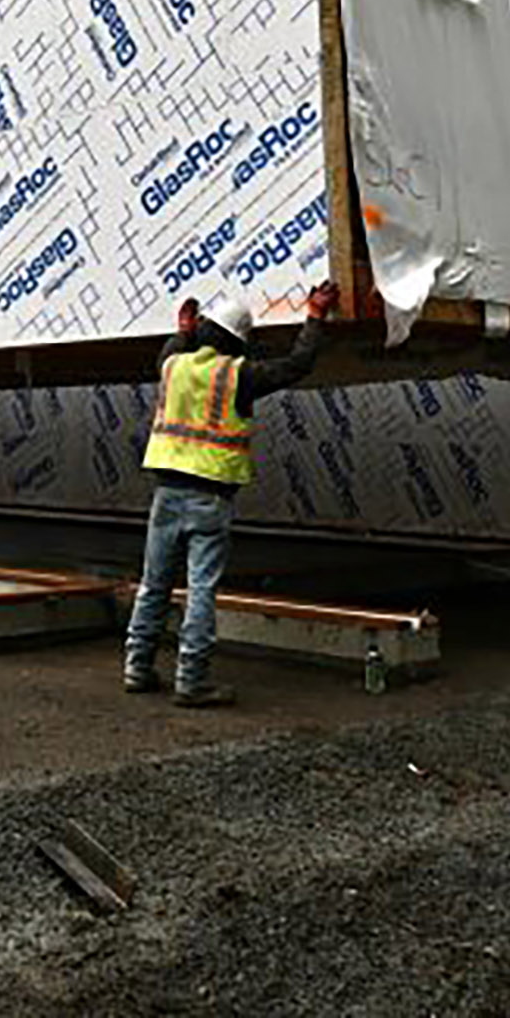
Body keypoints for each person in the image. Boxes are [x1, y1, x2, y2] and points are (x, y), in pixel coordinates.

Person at [123, 282, 336, 708]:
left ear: (201, 331)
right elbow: (296, 365)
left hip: (167, 493)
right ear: (239, 343)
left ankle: (137, 668)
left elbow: (172, 348)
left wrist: (183, 329)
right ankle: (192, 681)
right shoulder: (239, 375)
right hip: (210, 498)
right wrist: (314, 315)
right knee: (201, 590)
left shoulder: (171, 366)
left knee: (154, 585)